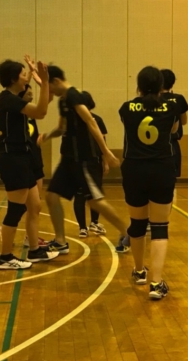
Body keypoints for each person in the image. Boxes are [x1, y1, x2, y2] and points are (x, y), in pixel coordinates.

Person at [42, 65, 130, 253]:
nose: (50, 92)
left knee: (95, 201)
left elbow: (91, 122)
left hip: (83, 159)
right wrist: (46, 136)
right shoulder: (63, 101)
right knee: (51, 196)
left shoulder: (74, 96)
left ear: (56, 81)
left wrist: (106, 152)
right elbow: (62, 128)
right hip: (68, 159)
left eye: (50, 87)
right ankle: (60, 241)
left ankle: (127, 233)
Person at [120, 66, 180, 300]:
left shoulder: (126, 108)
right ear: (162, 86)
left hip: (134, 169)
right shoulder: (172, 107)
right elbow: (174, 129)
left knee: (137, 223)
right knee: (159, 226)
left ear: (139, 85)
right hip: (161, 168)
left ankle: (138, 271)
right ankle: (156, 283)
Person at [0, 58, 59, 270]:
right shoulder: (8, 99)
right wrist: (45, 81)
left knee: (34, 205)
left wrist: (39, 79)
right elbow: (41, 111)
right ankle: (5, 257)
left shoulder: (12, 97)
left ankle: (34, 250)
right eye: (23, 75)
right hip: (12, 160)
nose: (26, 78)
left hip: (23, 158)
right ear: (13, 79)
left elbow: (43, 101)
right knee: (16, 210)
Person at [72, 91, 108, 238]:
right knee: (80, 195)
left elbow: (102, 142)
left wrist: (105, 161)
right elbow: (66, 144)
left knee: (96, 194)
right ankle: (82, 227)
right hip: (78, 162)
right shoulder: (72, 122)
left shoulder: (97, 120)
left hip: (94, 162)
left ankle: (94, 222)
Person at [159, 69, 188, 180]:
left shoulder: (153, 99)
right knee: (171, 179)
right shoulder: (179, 99)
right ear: (172, 83)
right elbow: (184, 121)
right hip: (172, 144)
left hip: (154, 145)